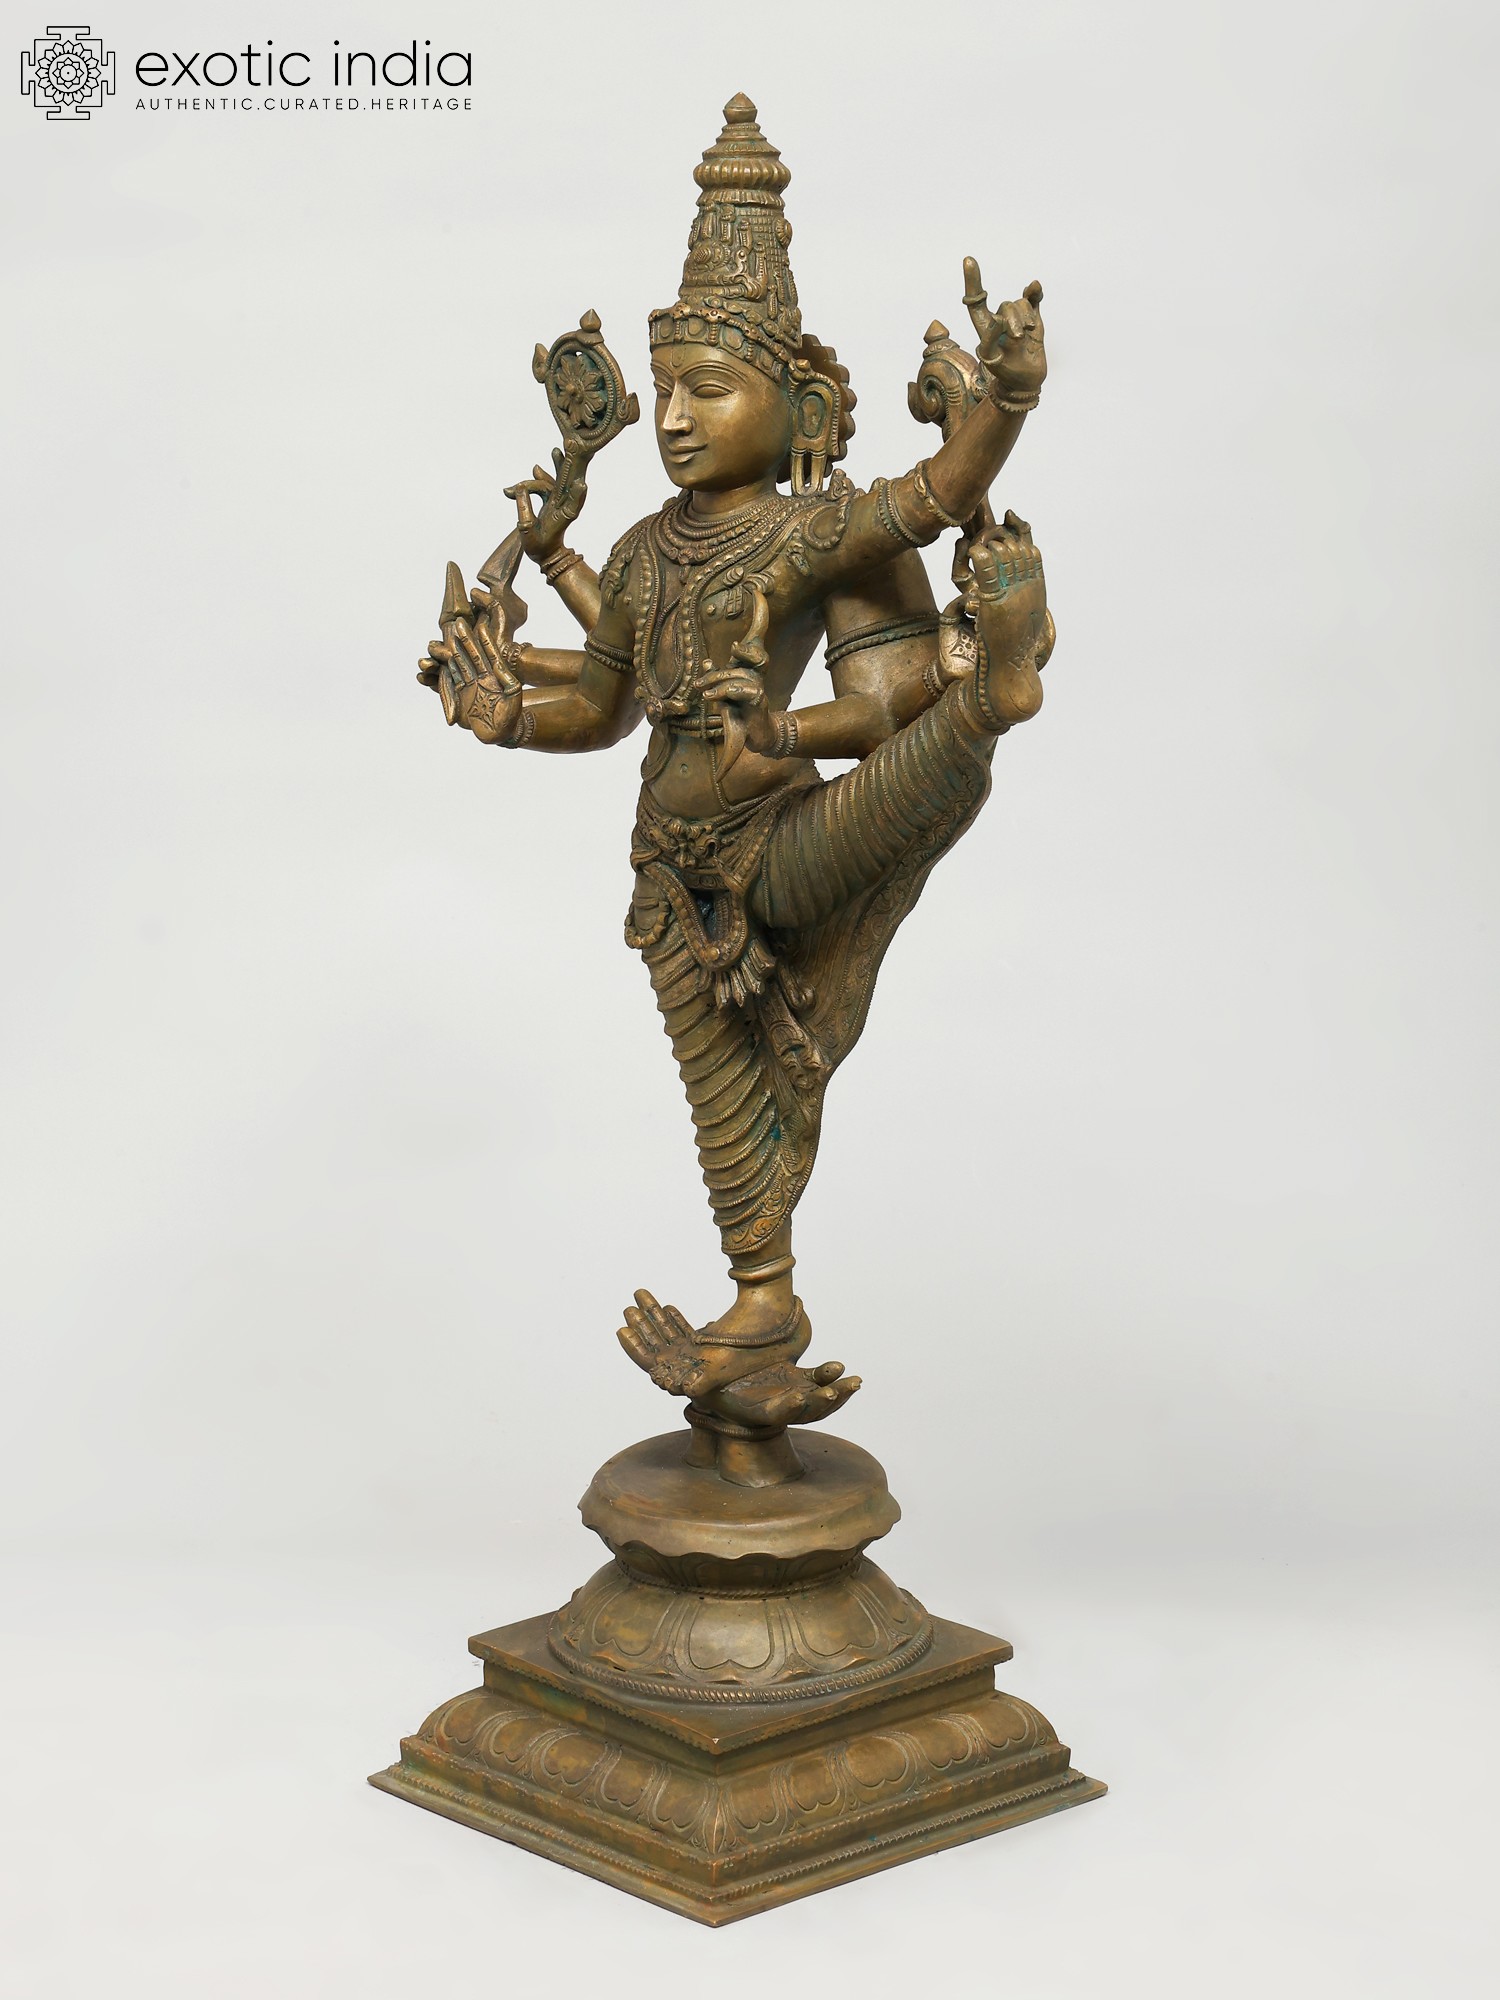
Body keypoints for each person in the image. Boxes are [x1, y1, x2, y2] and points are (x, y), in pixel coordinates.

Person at [421, 96, 1053, 1444]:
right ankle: (763, 1307)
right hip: (672, 879)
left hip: (779, 844)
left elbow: (936, 499)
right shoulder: (643, 550)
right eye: (665, 392)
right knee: (729, 1118)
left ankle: (990, 700)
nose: (674, 418)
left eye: (709, 388)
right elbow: (602, 709)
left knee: (919, 764)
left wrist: (1005, 403)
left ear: (798, 402)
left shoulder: (809, 529)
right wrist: (502, 713)